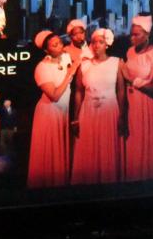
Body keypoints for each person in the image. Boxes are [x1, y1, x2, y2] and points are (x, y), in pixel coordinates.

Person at [70, 28, 126, 184]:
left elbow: (121, 92)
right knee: (88, 150)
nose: (96, 46)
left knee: (107, 150)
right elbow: (78, 92)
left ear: (107, 44)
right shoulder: (84, 65)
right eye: (93, 42)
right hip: (88, 112)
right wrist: (75, 118)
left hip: (109, 110)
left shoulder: (117, 63)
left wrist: (122, 116)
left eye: (100, 42)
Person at [120, 15, 153, 180]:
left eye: (136, 35)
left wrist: (133, 81)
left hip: (148, 105)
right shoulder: (129, 52)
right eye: (131, 34)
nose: (132, 38)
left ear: (147, 35)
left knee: (147, 143)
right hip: (132, 104)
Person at [27, 31, 79, 187]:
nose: (60, 47)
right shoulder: (42, 68)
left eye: (60, 43)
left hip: (63, 113)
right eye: (54, 45)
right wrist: (70, 73)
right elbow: (54, 96)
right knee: (50, 153)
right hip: (48, 113)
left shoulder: (65, 57)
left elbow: (80, 54)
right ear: (46, 50)